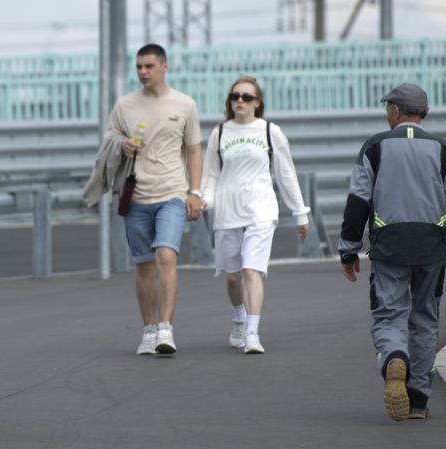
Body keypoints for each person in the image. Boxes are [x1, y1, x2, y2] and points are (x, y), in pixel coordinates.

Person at [338, 83, 446, 421]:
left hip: (389, 244)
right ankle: (417, 400)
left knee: (389, 315)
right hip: (431, 246)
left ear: (396, 112)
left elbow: (358, 201)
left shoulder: (375, 146)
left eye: (388, 108)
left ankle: (394, 355)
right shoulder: (443, 149)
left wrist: (349, 250)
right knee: (425, 317)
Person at [199, 75, 310, 354]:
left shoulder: (270, 131)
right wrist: (205, 200)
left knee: (252, 270)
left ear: (257, 103)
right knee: (233, 275)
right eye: (235, 96)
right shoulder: (220, 133)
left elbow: (285, 173)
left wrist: (300, 212)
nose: (240, 100)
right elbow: (211, 173)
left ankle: (252, 332)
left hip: (261, 209)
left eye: (246, 97)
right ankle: (239, 318)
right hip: (227, 211)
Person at [105, 43, 204, 355]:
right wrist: (122, 144)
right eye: (138, 67)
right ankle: (148, 330)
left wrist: (194, 191)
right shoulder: (125, 104)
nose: (143, 72)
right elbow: (109, 139)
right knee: (144, 265)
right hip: (136, 195)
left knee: (166, 256)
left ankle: (165, 329)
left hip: (172, 193)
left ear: (164, 67)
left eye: (149, 66)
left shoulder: (185, 104)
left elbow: (193, 150)